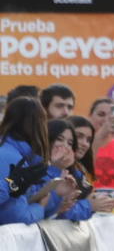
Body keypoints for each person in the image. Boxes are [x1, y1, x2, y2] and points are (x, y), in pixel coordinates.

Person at [0, 97, 78, 226]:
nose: (65, 146)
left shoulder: (27, 157)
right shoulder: (12, 158)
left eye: (70, 143)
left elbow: (30, 200)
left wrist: (55, 194)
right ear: (40, 125)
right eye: (60, 139)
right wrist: (40, 207)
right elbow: (16, 218)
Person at [46, 119, 114, 219]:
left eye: (89, 140)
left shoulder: (78, 170)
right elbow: (51, 210)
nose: (85, 144)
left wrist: (100, 202)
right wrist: (90, 206)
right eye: (79, 136)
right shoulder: (39, 167)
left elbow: (87, 197)